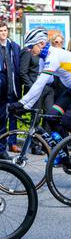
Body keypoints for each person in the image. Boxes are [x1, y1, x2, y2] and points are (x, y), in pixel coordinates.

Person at [9, 28, 71, 139]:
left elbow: (39, 84)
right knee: (51, 117)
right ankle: (63, 151)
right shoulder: (43, 58)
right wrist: (26, 106)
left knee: (68, 119)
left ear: (41, 43)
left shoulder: (53, 56)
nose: (29, 50)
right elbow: (40, 84)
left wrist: (22, 103)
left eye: (31, 47)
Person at [0, 22, 21, 159]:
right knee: (1, 119)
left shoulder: (14, 46)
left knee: (13, 116)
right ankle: (1, 149)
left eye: (5, 30)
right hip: (1, 88)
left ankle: (11, 143)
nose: (3, 32)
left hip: (12, 87)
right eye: (0, 30)